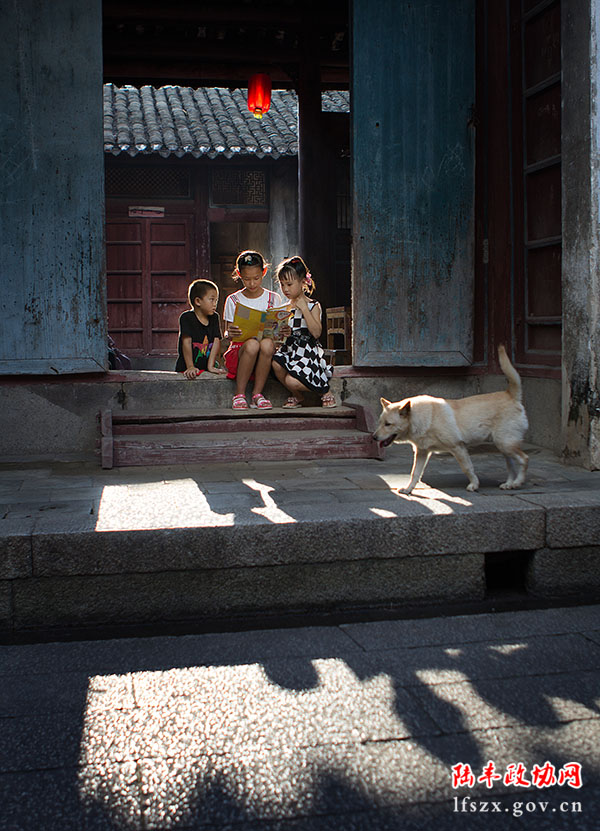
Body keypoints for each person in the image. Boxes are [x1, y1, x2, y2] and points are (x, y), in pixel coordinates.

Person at [223, 250, 284, 410]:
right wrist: (230, 333)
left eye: (256, 278)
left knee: (267, 344)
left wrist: (281, 331)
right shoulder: (233, 300)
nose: (251, 283)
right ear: (239, 274)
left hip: (265, 351)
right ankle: (239, 394)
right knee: (252, 344)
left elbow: (277, 331)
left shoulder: (273, 299)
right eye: (246, 279)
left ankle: (257, 394)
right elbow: (227, 333)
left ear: (264, 272)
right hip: (241, 351)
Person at [272, 256, 335, 408]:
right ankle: (298, 396)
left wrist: (304, 308)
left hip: (307, 353)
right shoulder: (285, 308)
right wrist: (284, 333)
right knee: (275, 363)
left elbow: (316, 333)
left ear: (303, 282)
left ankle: (324, 390)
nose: (285, 289)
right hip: (290, 351)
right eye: (282, 284)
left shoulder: (313, 305)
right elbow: (280, 337)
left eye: (289, 284)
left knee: (291, 381)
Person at [175, 279, 227, 379]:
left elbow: (216, 341)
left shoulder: (214, 317)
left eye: (216, 300)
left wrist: (210, 366)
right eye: (211, 299)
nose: (215, 304)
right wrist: (190, 366)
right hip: (186, 367)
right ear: (198, 301)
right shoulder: (187, 317)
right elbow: (186, 342)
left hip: (205, 367)